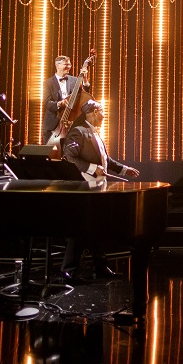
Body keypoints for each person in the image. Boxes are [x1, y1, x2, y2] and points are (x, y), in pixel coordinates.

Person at [59, 99, 139, 280]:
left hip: (97, 189)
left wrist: (124, 169)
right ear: (94, 112)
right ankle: (68, 270)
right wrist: (92, 168)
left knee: (97, 229)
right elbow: (69, 157)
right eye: (102, 111)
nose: (104, 116)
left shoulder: (95, 134)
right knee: (80, 230)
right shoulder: (78, 131)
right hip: (84, 188)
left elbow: (106, 160)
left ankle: (100, 268)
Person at [42, 55, 79, 143]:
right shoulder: (48, 83)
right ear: (57, 65)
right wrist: (59, 104)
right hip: (53, 124)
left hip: (70, 123)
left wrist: (84, 81)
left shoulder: (74, 80)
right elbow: (47, 103)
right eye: (66, 64)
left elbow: (83, 95)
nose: (69, 67)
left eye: (69, 64)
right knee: (50, 150)